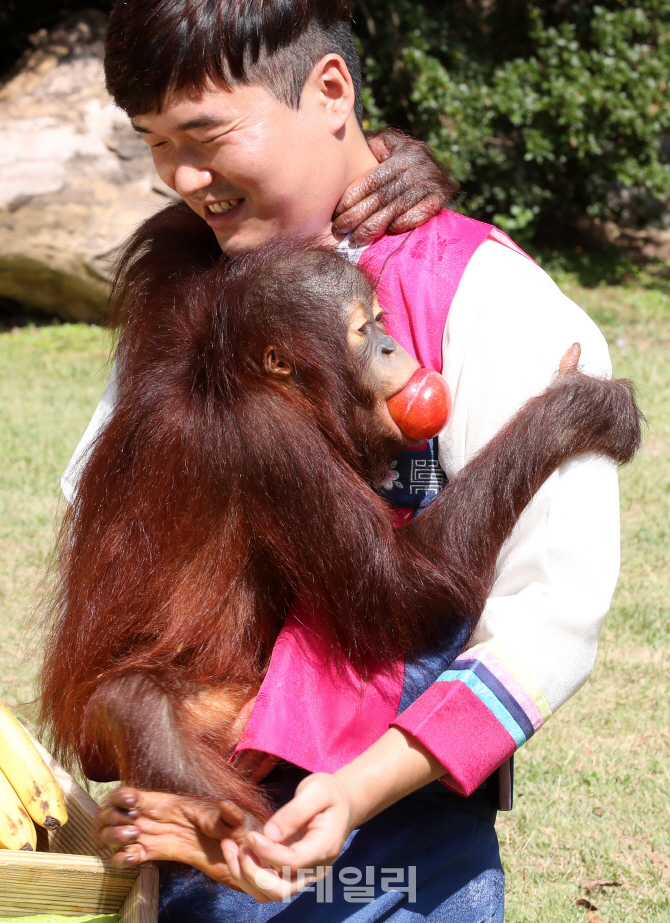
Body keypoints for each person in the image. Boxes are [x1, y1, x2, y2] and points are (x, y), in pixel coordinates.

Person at [65, 2, 620, 920]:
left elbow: (549, 616)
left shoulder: (491, 302)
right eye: (156, 142)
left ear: (332, 92)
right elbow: (101, 515)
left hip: (401, 855)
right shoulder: (196, 281)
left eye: (205, 134)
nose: (184, 176)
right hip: (196, 832)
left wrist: (360, 787)